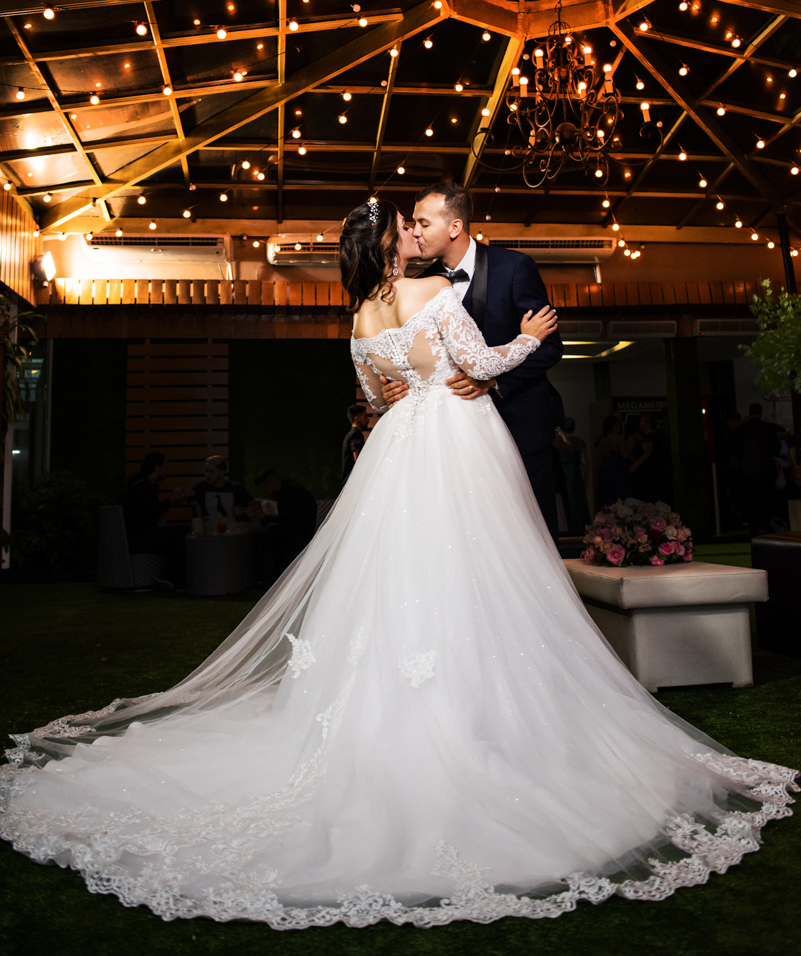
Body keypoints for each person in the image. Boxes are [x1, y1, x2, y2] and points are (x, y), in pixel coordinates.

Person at [1, 198, 795, 930]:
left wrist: (417, 391)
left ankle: (398, 713)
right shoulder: (432, 298)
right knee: (474, 582)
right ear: (390, 246)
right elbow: (479, 370)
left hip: (396, 459)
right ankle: (477, 717)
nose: (416, 234)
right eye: (404, 229)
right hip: (454, 449)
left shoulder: (357, 317)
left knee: (397, 592)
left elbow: (377, 401)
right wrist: (532, 336)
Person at [380, 182, 564, 544]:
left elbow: (550, 346)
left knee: (533, 531)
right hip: (456, 434)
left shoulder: (514, 267)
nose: (415, 231)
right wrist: (395, 386)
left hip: (519, 419)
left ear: (454, 227)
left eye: (423, 223)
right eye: (412, 224)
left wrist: (492, 381)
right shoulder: (418, 283)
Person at [121, 451, 188, 587]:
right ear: (157, 468)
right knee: (183, 530)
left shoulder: (141, 485)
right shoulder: (143, 486)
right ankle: (172, 578)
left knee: (176, 535)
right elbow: (152, 511)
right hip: (137, 539)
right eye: (165, 466)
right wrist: (172, 498)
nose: (166, 470)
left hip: (136, 536)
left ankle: (169, 576)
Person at [248, 468, 318, 584]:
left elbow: (286, 518)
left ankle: (276, 571)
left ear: (273, 484)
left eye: (266, 491)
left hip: (300, 536)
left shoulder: (289, 492)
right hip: (301, 532)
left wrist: (263, 518)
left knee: (272, 530)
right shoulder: (290, 490)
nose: (267, 494)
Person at [731, 404, 782, 536]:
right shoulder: (768, 429)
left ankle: (754, 525)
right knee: (767, 496)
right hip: (765, 468)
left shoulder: (742, 429)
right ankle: (767, 523)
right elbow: (776, 447)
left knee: (751, 498)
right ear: (760, 412)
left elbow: (735, 448)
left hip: (747, 469)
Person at [188, 455, 252, 525]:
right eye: (206, 471)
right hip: (209, 532)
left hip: (232, 531)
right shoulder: (201, 486)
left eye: (212, 472)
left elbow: (256, 506)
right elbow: (184, 498)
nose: (207, 475)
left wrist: (244, 511)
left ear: (222, 473)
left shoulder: (235, 488)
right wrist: (185, 493)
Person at [554, 418, 590, 534]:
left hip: (564, 472)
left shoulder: (558, 441)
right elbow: (585, 462)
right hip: (574, 472)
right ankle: (580, 527)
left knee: (569, 500)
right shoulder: (577, 441)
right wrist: (586, 478)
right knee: (577, 500)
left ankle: (570, 527)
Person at [595, 414, 631, 507]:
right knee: (619, 497)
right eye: (618, 425)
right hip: (617, 468)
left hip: (605, 469)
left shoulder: (602, 439)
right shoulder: (619, 438)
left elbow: (599, 457)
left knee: (607, 496)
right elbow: (625, 455)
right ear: (613, 426)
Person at [341, 403, 371, 486]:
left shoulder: (351, 434)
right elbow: (357, 459)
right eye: (365, 416)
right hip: (352, 483)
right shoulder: (355, 435)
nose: (368, 420)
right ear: (357, 418)